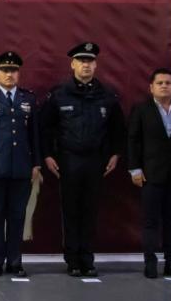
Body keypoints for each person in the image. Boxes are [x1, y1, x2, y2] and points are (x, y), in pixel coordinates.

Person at [41, 42, 125, 277]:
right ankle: (73, 260)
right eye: (81, 61)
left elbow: (118, 130)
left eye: (90, 61)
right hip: (68, 160)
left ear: (96, 65)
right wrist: (47, 155)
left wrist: (116, 154)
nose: (86, 65)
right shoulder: (59, 94)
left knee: (90, 211)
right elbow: (45, 128)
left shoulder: (107, 96)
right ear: (73, 64)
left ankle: (88, 259)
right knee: (70, 210)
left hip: (96, 161)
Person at [0, 51, 42, 278]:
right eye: (5, 71)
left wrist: (36, 163)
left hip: (22, 166)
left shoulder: (28, 99)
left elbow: (35, 135)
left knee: (17, 216)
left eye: (13, 70)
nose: (9, 74)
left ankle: (15, 261)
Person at [127, 68, 171, 279]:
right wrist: (135, 169)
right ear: (151, 87)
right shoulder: (141, 110)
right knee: (150, 221)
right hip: (150, 175)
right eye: (160, 83)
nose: (164, 86)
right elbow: (132, 140)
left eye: (168, 82)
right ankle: (150, 262)